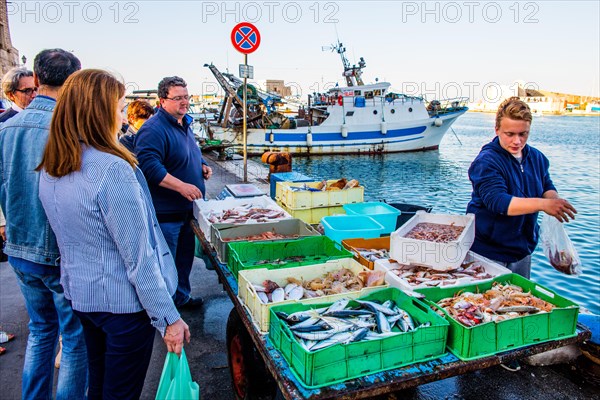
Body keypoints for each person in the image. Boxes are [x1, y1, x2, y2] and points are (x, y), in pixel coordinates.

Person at [38, 69, 190, 399]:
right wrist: (169, 319)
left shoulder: (52, 166)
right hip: (122, 306)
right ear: (99, 112)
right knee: (120, 391)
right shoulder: (113, 169)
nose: (123, 117)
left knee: (100, 383)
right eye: (120, 108)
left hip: (83, 297)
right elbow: (139, 258)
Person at [0, 49, 87, 399]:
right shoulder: (70, 130)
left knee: (40, 332)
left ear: (36, 80)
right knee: (74, 340)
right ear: (73, 85)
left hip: (20, 250)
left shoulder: (6, 129)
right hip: (61, 253)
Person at [467, 96, 577, 279]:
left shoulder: (536, 157)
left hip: (522, 250)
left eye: (523, 134)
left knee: (519, 301)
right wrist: (543, 205)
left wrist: (553, 200)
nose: (517, 141)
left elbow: (546, 183)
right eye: (510, 134)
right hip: (487, 251)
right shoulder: (486, 162)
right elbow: (498, 201)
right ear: (497, 130)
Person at [135, 76, 212, 309]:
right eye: (177, 98)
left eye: (186, 97)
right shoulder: (153, 129)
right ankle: (165, 312)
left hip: (188, 211)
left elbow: (188, 154)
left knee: (184, 260)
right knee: (164, 266)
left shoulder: (184, 124)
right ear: (162, 101)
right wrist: (182, 186)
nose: (184, 102)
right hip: (166, 215)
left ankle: (181, 298)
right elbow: (149, 167)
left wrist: (202, 166)